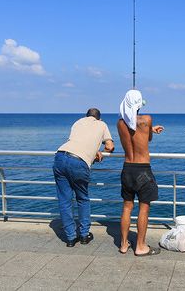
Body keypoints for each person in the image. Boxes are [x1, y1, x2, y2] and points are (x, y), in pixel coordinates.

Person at [53, 108, 114, 247]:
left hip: (60, 156)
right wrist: (98, 153)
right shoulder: (102, 124)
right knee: (82, 198)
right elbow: (110, 147)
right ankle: (84, 235)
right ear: (99, 119)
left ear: (86, 116)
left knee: (64, 200)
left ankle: (70, 238)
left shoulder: (78, 122)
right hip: (79, 161)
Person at [117, 89, 164, 256]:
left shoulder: (120, 123)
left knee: (127, 207)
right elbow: (146, 138)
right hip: (143, 170)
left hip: (127, 170)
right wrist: (151, 130)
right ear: (139, 104)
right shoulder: (147, 120)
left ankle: (123, 244)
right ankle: (141, 246)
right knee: (143, 209)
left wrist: (149, 129)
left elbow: (132, 131)